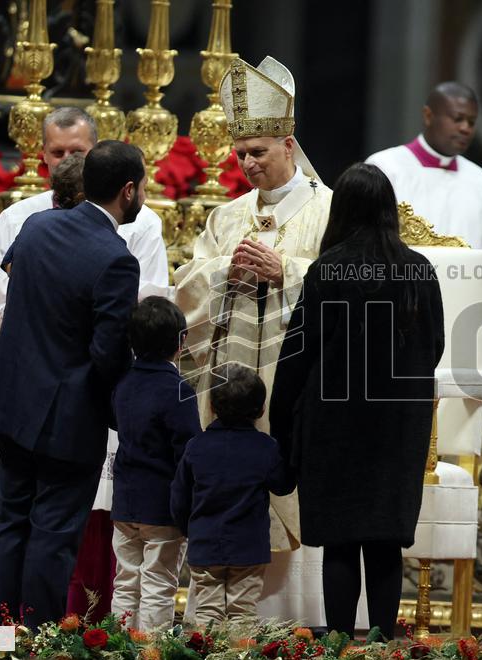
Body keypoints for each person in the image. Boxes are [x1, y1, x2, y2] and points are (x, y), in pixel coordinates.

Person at [0, 108, 170, 621]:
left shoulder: (36, 225)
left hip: (13, 398)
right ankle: (36, 638)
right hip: (68, 413)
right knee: (54, 530)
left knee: (11, 518)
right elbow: (107, 351)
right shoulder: (115, 257)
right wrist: (120, 408)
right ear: (128, 191)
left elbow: (9, 270)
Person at [173, 55, 330, 604]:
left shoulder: (329, 211)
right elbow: (187, 285)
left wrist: (288, 272)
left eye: (258, 152)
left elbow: (349, 286)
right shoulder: (227, 216)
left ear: (289, 145)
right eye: (241, 153)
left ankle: (293, 618)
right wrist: (225, 272)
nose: (247, 163)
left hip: (296, 376)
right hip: (230, 382)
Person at [269, 162, 445, 640]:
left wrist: (281, 427)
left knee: (341, 541)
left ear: (341, 209)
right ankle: (384, 647)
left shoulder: (328, 269)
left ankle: (339, 645)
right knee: (386, 541)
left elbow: (298, 356)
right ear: (389, 209)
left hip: (335, 424)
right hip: (398, 426)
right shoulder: (418, 268)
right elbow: (434, 347)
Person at [170, 363, 293, 624]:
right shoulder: (265, 447)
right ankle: (240, 649)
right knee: (242, 613)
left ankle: (207, 649)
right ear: (261, 410)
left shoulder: (196, 446)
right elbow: (283, 486)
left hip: (204, 544)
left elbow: (179, 498)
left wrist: (190, 530)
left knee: (207, 612)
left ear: (212, 406)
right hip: (248, 547)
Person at [110, 296, 203, 631]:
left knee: (125, 581)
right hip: (162, 505)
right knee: (158, 583)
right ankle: (151, 651)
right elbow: (188, 454)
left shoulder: (122, 383)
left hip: (124, 503)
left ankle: (118, 647)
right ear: (181, 341)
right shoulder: (178, 390)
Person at [365, 81, 482, 250]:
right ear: (428, 116)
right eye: (458, 119)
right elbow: (365, 238)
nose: (465, 128)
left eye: (471, 122)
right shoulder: (385, 167)